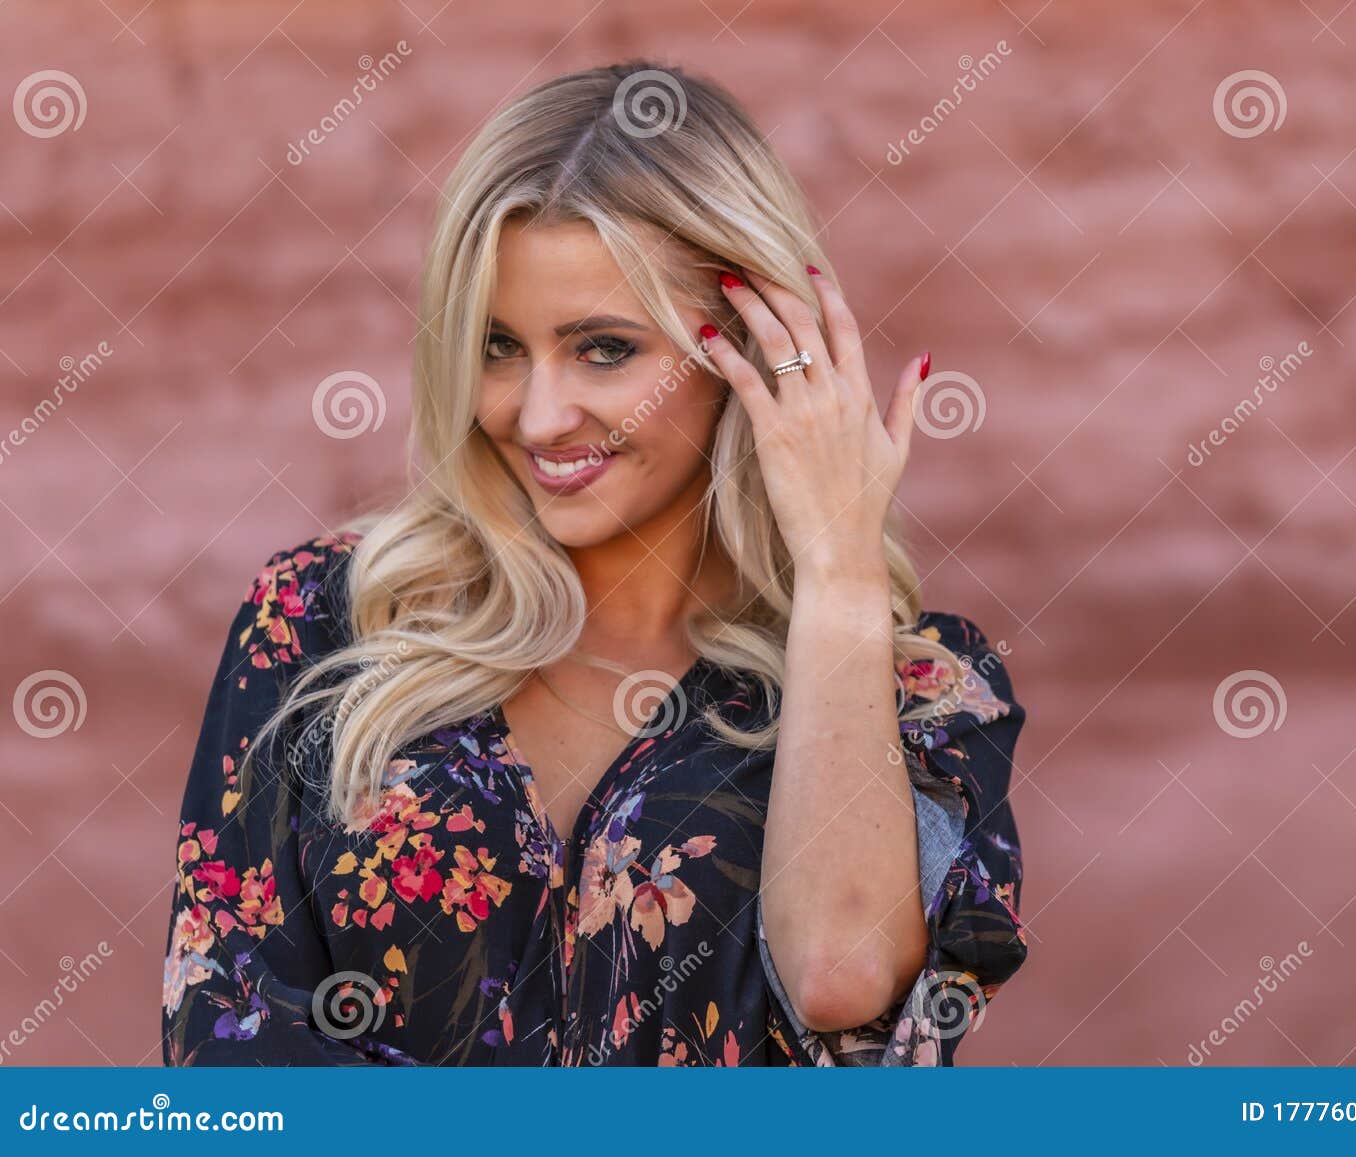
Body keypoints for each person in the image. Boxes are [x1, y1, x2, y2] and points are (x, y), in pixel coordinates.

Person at [160, 59, 1028, 1067]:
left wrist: (838, 576)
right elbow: (223, 1034)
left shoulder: (920, 694)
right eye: (497, 347)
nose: (536, 416)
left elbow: (841, 987)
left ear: (745, 345)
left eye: (604, 350)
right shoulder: (325, 619)